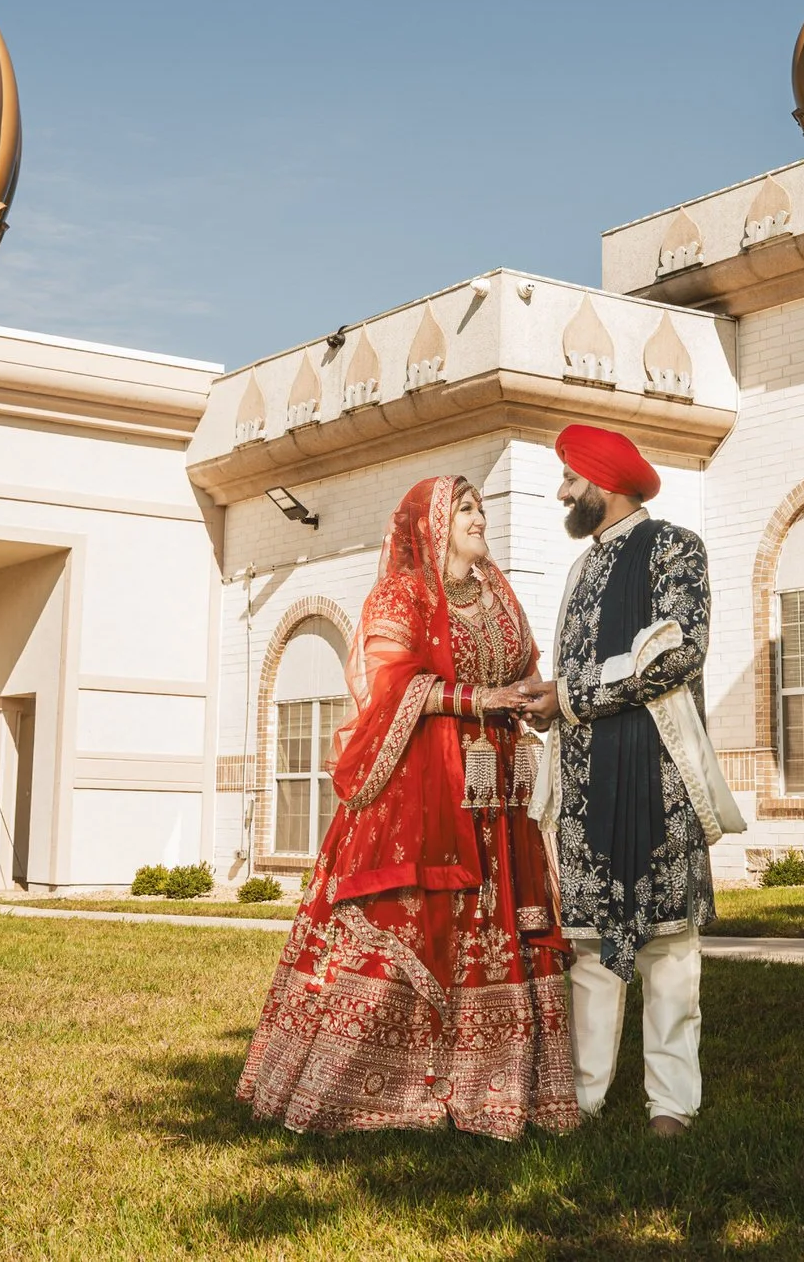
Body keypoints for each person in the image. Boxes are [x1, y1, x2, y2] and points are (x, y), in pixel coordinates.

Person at [238, 475, 579, 1138]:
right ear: (434, 524)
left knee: (498, 924)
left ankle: (500, 1087)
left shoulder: (500, 597)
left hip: (498, 796)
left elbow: (525, 670)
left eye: (481, 506)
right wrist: (477, 701)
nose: (481, 517)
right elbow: (391, 685)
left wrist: (540, 696)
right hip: (421, 789)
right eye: (466, 509)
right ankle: (383, 1086)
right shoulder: (404, 593)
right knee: (416, 923)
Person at [521, 423, 735, 1139]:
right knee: (589, 947)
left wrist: (572, 692)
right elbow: (587, 678)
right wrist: (551, 707)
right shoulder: (582, 572)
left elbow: (677, 650)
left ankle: (670, 1105)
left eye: (570, 478)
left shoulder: (676, 547)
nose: (562, 491)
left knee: (669, 947)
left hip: (659, 780)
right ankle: (581, 1100)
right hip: (587, 788)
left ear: (602, 481)